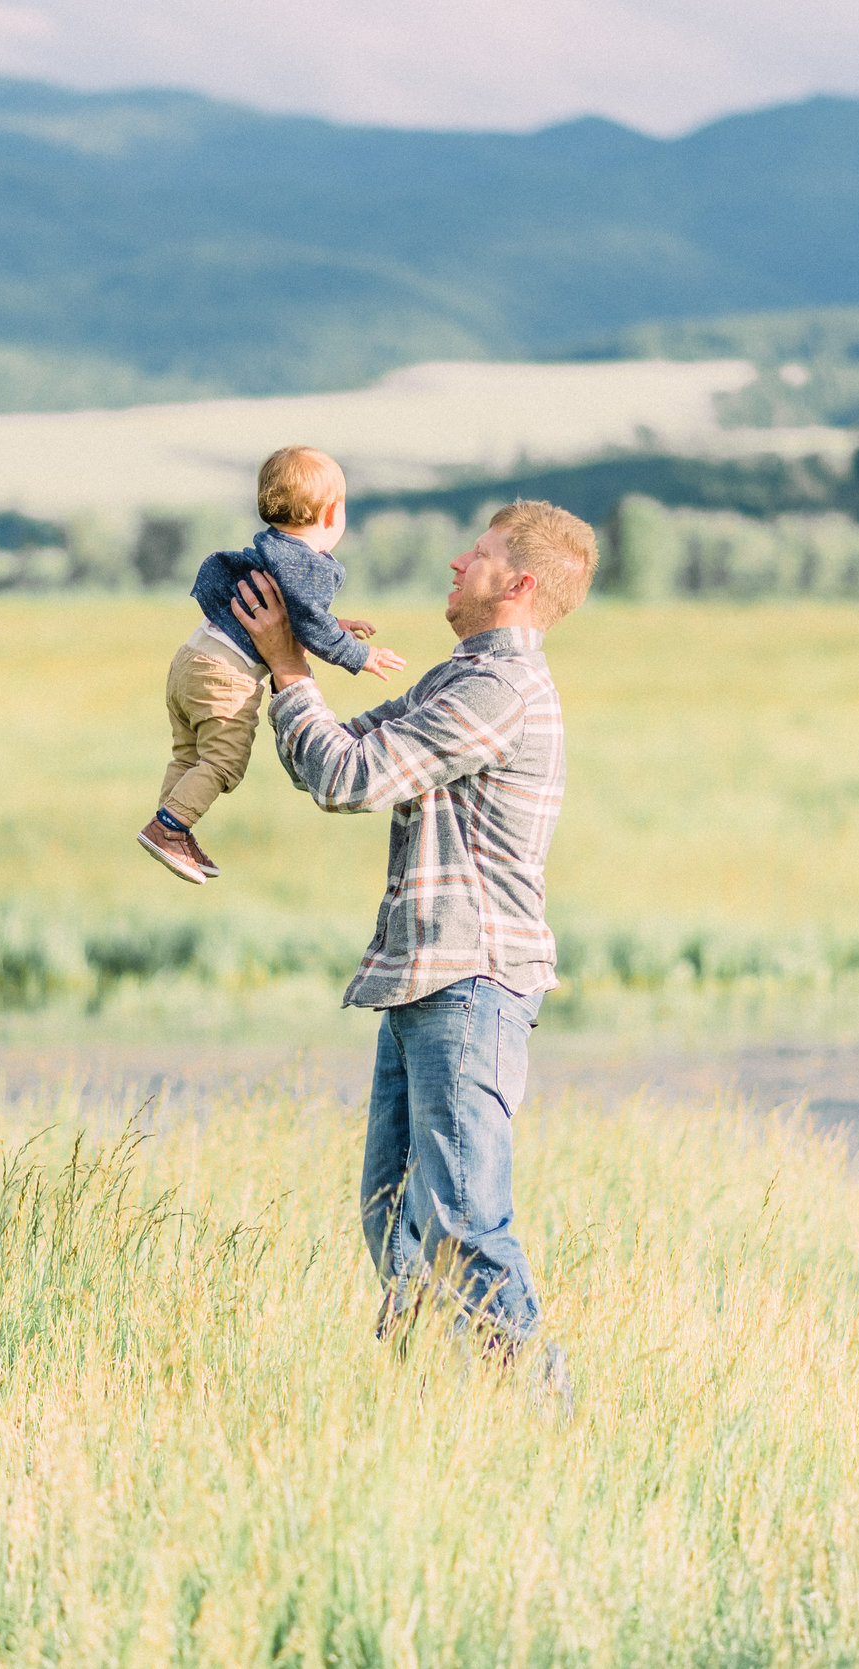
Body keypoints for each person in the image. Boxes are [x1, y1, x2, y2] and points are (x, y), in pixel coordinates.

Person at [230, 499, 597, 1409]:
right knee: (394, 1219)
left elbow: (350, 780)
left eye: (477, 554)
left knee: (466, 1217)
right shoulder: (457, 676)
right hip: (428, 978)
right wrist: (300, 652)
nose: (455, 561)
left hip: (469, 980)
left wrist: (286, 667)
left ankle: (547, 1416)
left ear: (515, 585)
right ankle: (426, 1409)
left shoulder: (494, 693)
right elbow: (342, 749)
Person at [137, 445, 406, 883]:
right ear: (333, 512)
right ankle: (169, 828)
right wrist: (362, 656)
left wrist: (335, 622)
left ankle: (174, 827)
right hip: (226, 676)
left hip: (192, 659)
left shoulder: (274, 549)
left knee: (189, 755)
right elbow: (309, 628)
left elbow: (295, 614)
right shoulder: (308, 565)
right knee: (224, 763)